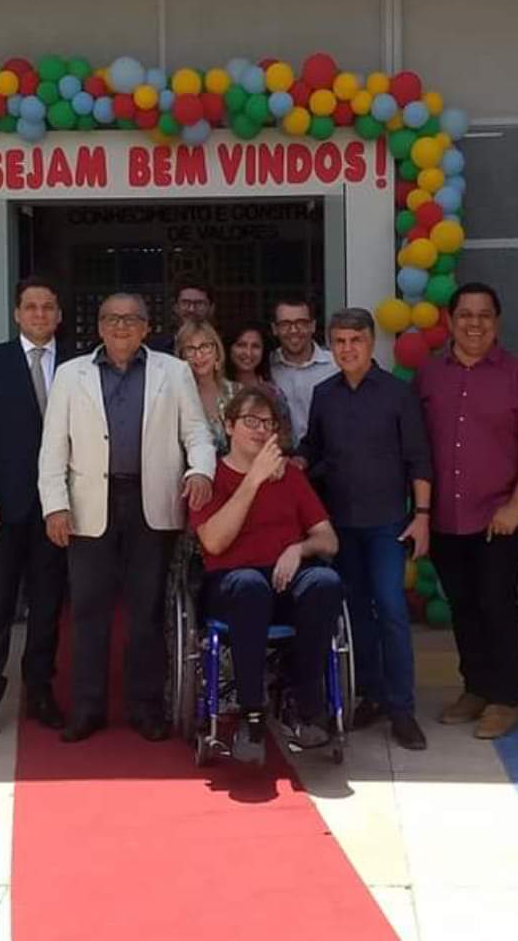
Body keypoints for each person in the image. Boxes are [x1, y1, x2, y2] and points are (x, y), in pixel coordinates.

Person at [39, 292, 215, 743]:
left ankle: (145, 708)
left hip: (151, 502)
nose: (121, 326)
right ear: (98, 327)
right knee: (88, 612)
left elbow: (195, 431)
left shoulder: (172, 372)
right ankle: (87, 707)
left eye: (131, 319)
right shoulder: (69, 374)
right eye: (112, 319)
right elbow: (53, 447)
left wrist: (200, 471)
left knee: (146, 612)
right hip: (88, 506)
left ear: (145, 327)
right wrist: (55, 504)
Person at [416, 283, 518, 740]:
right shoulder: (430, 375)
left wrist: (517, 503)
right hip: (445, 516)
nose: (475, 324)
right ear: (451, 321)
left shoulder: (517, 375)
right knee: (463, 606)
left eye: (485, 315)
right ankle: (474, 687)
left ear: (497, 321)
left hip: (499, 515)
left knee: (497, 604)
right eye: (466, 315)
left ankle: (504, 697)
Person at [299, 308, 432, 751]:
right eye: (338, 341)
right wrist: (294, 464)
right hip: (340, 526)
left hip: (388, 523)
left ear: (372, 343)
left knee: (392, 610)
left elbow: (419, 458)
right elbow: (312, 450)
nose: (347, 349)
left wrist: (423, 514)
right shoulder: (324, 395)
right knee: (355, 616)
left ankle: (402, 708)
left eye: (355, 340)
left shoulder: (397, 393)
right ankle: (369, 695)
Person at [190, 387, 343, 765]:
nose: (260, 430)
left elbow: (329, 539)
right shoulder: (210, 477)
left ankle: (307, 706)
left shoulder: (290, 477)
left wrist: (299, 548)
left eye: (268, 423)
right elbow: (214, 541)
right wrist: (252, 480)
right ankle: (251, 715)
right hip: (232, 585)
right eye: (250, 421)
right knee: (249, 586)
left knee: (325, 582)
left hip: (286, 578)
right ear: (229, 426)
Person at [0, 276, 68, 739]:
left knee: (47, 606)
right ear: (17, 313)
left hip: (57, 509)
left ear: (59, 314)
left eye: (47, 306)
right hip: (1, 507)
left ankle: (40, 691)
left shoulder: (79, 364)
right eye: (31, 306)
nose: (39, 314)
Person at [269, 298, 336, 444]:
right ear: (274, 329)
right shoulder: (267, 368)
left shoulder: (336, 366)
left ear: (313, 326)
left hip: (328, 459)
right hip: (280, 458)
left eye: (301, 323)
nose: (293, 330)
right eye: (285, 324)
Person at [175, 319, 238, 453]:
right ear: (181, 357)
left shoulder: (238, 392)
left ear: (217, 352)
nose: (198, 355)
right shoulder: (175, 398)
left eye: (205, 347)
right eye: (190, 349)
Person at [149, 285, 215, 355]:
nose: (191, 309)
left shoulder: (225, 348)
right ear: (175, 307)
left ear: (211, 308)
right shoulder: (155, 350)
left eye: (199, 303)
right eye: (185, 303)